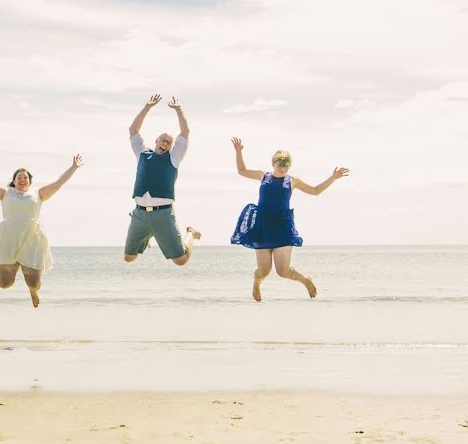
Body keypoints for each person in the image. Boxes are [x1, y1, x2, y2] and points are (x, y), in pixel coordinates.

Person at [230, 137, 349, 301]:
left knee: (282, 271)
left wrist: (333, 178)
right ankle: (256, 283)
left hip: (282, 227)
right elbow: (242, 170)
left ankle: (306, 280)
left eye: (286, 166)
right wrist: (238, 152)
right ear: (273, 163)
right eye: (280, 165)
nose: (283, 169)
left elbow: (315, 191)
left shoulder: (292, 181)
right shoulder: (263, 176)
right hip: (262, 227)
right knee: (263, 271)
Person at [0, 152, 82, 308]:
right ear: (14, 181)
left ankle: (33, 292)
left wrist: (73, 167)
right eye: (19, 177)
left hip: (32, 240)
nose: (22, 179)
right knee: (6, 283)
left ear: (30, 182)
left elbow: (59, 183)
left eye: (25, 177)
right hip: (9, 240)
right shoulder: (4, 193)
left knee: (34, 283)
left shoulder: (38, 194)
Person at [125, 94, 201, 266]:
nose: (165, 144)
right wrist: (147, 107)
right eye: (163, 140)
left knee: (181, 260)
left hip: (164, 214)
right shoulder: (142, 154)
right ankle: (149, 234)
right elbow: (133, 131)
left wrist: (179, 109)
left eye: (169, 142)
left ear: (171, 147)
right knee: (129, 258)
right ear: (156, 140)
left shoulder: (174, 158)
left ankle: (191, 233)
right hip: (140, 214)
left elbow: (185, 132)